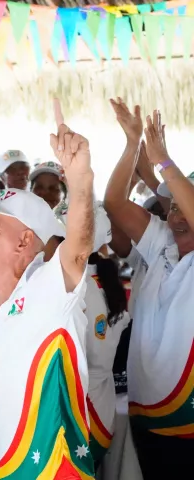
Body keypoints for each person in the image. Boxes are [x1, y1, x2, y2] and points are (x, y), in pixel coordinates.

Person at [0, 119, 96, 478]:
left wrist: (80, 178)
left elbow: (77, 250)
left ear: (24, 241)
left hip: (44, 469)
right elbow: (3, 378)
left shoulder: (47, 290)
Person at [103, 100, 194, 478]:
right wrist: (131, 144)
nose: (177, 216)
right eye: (173, 208)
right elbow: (114, 202)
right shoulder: (161, 245)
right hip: (145, 410)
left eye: (184, 206)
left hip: (186, 419)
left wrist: (163, 161)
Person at [52, 201, 130, 467]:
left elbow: (96, 360)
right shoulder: (89, 279)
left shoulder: (85, 287)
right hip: (88, 406)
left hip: (85, 412)